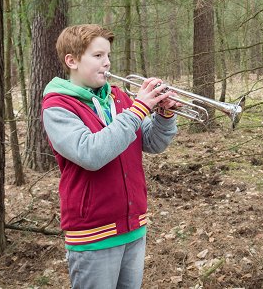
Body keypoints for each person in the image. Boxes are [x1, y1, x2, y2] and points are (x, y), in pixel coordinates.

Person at [42, 24, 179, 289]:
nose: (107, 63)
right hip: (93, 235)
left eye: (108, 56)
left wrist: (165, 115)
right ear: (72, 61)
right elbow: (91, 153)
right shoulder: (58, 106)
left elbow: (150, 142)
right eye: (98, 56)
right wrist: (139, 109)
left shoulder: (117, 97)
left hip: (134, 227)